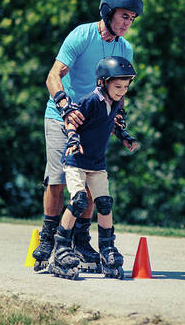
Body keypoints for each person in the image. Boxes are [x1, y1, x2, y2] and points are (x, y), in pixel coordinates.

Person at [33, 0, 143, 272]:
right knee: (58, 180)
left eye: (132, 18)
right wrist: (66, 107)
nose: (127, 23)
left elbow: (120, 87)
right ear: (108, 12)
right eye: (123, 16)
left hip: (95, 120)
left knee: (92, 180)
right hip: (62, 115)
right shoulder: (82, 35)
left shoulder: (125, 48)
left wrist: (118, 116)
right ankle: (48, 239)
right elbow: (53, 76)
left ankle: (80, 239)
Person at [48, 56, 138, 280]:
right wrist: (72, 139)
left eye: (126, 87)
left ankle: (107, 248)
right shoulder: (91, 101)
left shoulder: (115, 102)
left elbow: (113, 124)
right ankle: (61, 247)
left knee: (105, 203)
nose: (122, 91)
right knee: (78, 200)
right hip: (77, 161)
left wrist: (124, 137)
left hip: (97, 163)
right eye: (118, 86)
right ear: (103, 83)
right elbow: (71, 121)